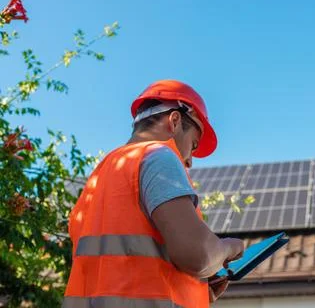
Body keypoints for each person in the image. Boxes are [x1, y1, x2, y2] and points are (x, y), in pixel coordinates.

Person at [63, 80, 245, 308]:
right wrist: (229, 248)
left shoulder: (100, 176)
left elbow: (121, 274)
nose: (189, 160)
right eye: (194, 145)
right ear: (175, 121)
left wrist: (195, 289)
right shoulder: (158, 157)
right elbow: (198, 255)